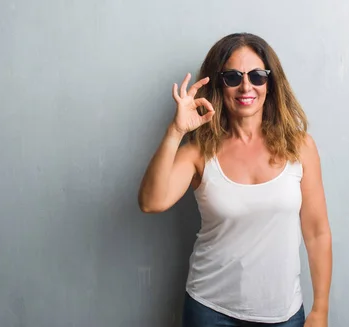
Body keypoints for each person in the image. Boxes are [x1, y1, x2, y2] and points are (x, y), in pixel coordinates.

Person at [137, 33, 332, 327]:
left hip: (282, 314)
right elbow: (151, 202)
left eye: (257, 76)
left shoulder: (300, 146)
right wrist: (176, 132)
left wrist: (320, 309)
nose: (246, 86)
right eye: (232, 77)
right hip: (209, 310)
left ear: (271, 82)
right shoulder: (198, 151)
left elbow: (317, 233)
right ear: (218, 84)